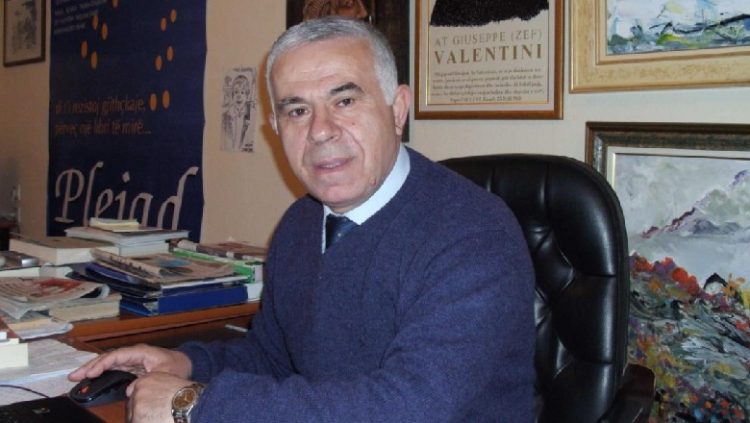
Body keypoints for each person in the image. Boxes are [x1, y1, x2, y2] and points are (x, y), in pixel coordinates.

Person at [69, 16, 535, 422]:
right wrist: (186, 365)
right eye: (297, 110)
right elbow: (274, 358)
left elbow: (410, 408)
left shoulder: (473, 233)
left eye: (345, 101)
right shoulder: (300, 224)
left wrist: (195, 404)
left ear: (397, 110)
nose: (320, 131)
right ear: (276, 128)